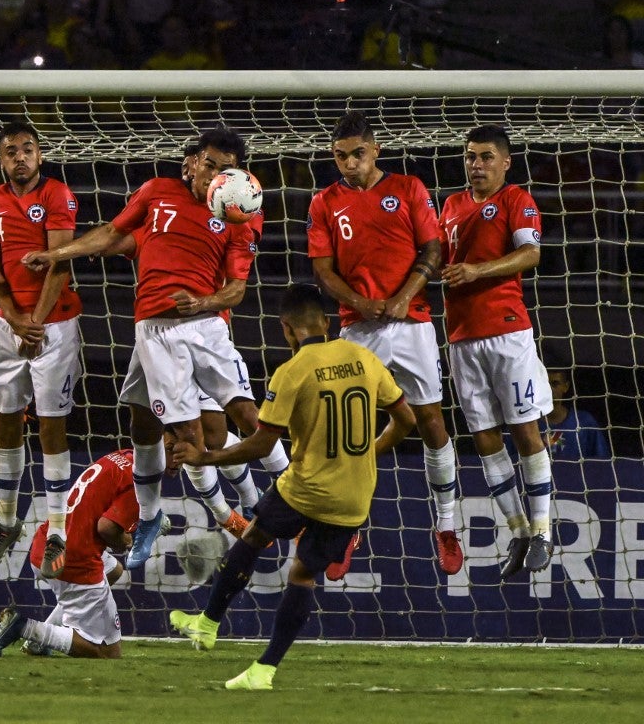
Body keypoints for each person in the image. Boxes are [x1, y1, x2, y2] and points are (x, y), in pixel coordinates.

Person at [22, 125, 272, 570]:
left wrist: (204, 302)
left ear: (237, 176)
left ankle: (271, 500)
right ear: (193, 163)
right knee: (146, 423)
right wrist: (59, 255)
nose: (212, 175)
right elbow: (113, 234)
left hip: (203, 327)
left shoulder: (240, 213)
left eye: (224, 170)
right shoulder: (158, 194)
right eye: (208, 164)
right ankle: (153, 516)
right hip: (151, 333)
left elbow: (237, 289)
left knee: (222, 428)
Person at [168, 284, 415, 691]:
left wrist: (205, 458)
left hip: (307, 487)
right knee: (302, 574)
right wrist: (370, 451)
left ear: (286, 329)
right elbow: (406, 420)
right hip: (355, 496)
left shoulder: (293, 371)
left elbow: (262, 444)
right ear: (326, 321)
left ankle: (209, 622)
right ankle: (264, 670)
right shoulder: (364, 358)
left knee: (255, 534)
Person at [307, 110, 462, 575]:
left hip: (412, 321)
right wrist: (358, 300)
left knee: (431, 419)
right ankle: (347, 526)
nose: (349, 163)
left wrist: (402, 297)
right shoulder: (323, 201)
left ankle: (447, 526)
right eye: (340, 156)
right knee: (351, 429)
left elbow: (433, 249)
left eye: (357, 153)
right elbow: (322, 268)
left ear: (376, 150)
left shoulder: (409, 188)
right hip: (358, 327)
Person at [440, 124, 555, 578]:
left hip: (507, 331)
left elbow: (530, 255)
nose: (477, 165)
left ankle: (543, 530)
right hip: (460, 336)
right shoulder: (450, 205)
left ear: (505, 162)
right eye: (470, 157)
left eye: (486, 157)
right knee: (485, 437)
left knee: (525, 429)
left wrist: (476, 271)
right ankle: (520, 533)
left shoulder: (517, 200)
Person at [0, 120, 82, 579]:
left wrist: (35, 323)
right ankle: (6, 521)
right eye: (10, 151)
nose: (19, 157)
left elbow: (59, 263)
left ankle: (57, 526)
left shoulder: (57, 194)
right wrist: (14, 318)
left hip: (54, 327)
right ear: (1, 160)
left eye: (27, 149)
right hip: (8, 327)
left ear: (39, 155)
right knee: (4, 420)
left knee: (51, 426)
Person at [0, 448, 140, 658]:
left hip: (46, 545)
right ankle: (24, 628)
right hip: (74, 560)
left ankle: (36, 644)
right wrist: (124, 541)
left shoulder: (121, 456)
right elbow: (107, 529)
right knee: (106, 651)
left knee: (114, 570)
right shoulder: (140, 478)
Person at [542, 368, 611, 460]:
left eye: (555, 384)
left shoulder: (585, 422)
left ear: (566, 386)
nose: (549, 389)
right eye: (545, 384)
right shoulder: (528, 423)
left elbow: (602, 462)